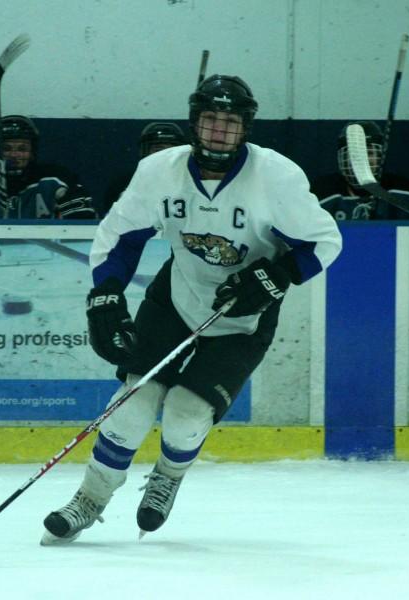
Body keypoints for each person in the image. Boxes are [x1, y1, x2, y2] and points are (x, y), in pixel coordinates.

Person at [40, 75, 342, 544]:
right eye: (209, 120)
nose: (219, 131)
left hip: (243, 318)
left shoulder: (277, 175)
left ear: (246, 128)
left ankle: (167, 476)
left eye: (230, 122)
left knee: (184, 415)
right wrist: (105, 294)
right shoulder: (161, 169)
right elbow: (121, 237)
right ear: (194, 123)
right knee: (131, 403)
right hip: (175, 300)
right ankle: (90, 500)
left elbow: (324, 242)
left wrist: (274, 277)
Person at [0, 115, 96, 220]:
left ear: (32, 152)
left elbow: (84, 221)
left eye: (22, 148)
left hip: (46, 260)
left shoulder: (56, 180)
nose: (14, 154)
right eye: (6, 148)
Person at [311, 121, 409, 220]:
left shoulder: (404, 192)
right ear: (342, 158)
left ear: (380, 155)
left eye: (369, 153)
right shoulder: (322, 192)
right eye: (353, 153)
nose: (362, 159)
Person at [100, 122, 187, 216]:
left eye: (171, 150)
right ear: (145, 152)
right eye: (158, 150)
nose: (164, 155)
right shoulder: (123, 185)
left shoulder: (192, 182)